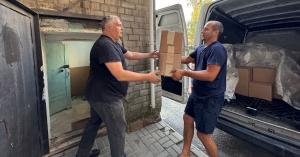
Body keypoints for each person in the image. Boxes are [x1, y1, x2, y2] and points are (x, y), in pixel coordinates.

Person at [76, 15, 160, 157]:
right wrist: (148, 76)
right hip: (107, 99)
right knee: (117, 131)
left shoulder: (113, 43)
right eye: (119, 25)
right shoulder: (105, 46)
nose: (122, 28)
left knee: (93, 124)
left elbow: (131, 54)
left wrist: (150, 55)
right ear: (109, 27)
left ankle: (82, 154)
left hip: (97, 96)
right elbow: (120, 74)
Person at [171, 21, 227, 157]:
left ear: (215, 32)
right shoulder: (201, 48)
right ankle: (186, 152)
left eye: (206, 29)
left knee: (203, 134)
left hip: (210, 98)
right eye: (203, 29)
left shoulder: (217, 49)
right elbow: (186, 59)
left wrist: (184, 73)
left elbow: (210, 75)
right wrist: (166, 55)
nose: (202, 31)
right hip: (197, 94)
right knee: (187, 119)